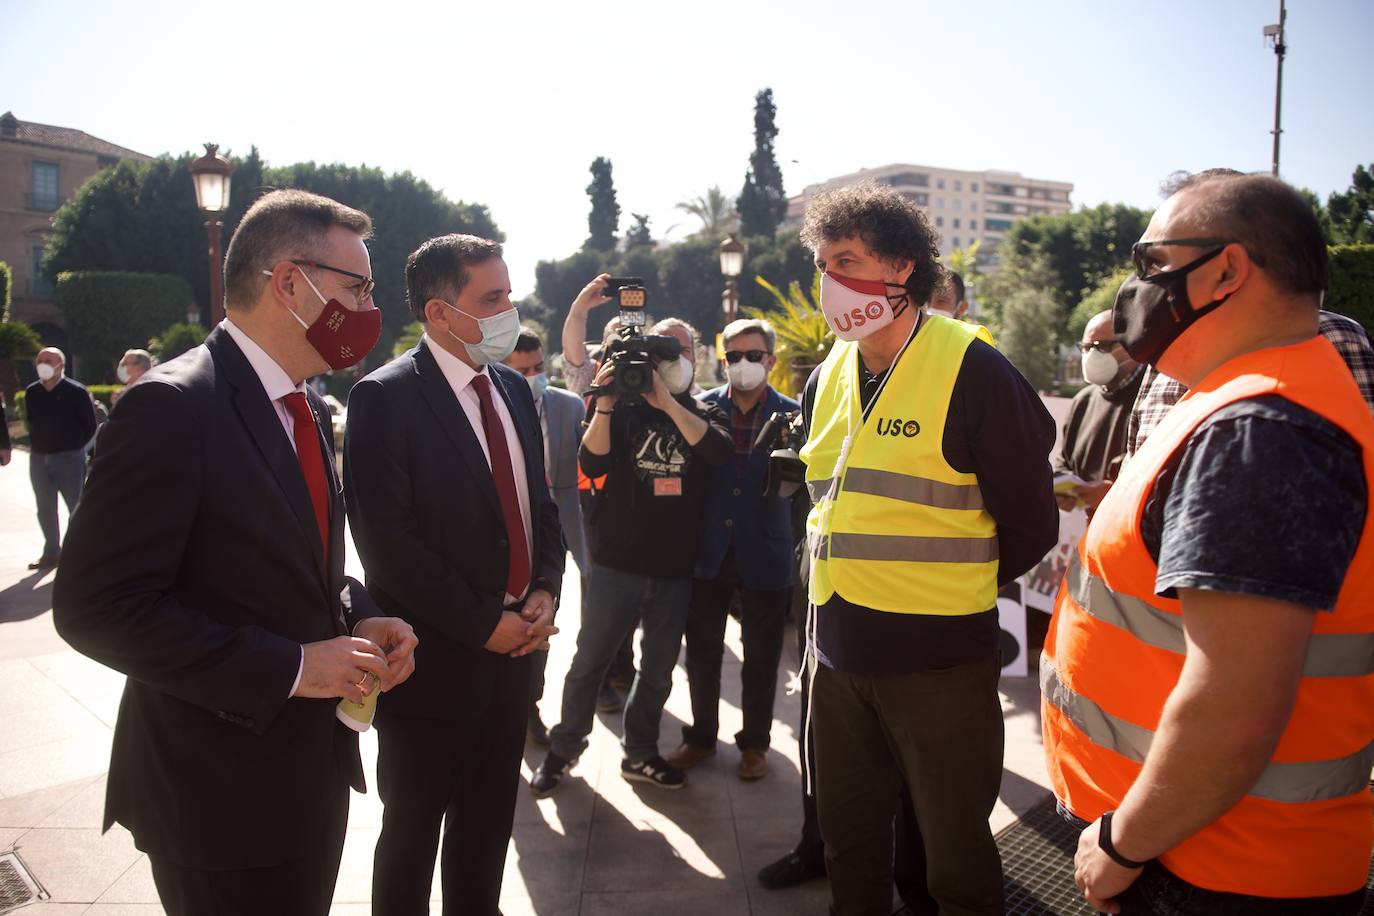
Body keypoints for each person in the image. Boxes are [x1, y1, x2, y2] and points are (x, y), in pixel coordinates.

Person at [51, 189, 418, 916]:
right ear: (289, 283)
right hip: (214, 798)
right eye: (358, 288)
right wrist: (290, 665)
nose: (369, 310)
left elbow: (301, 565)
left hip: (305, 780)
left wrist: (363, 614)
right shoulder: (171, 408)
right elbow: (94, 608)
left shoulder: (307, 406)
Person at [1044, 171, 1374, 915]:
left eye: (1153, 265)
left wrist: (1124, 842)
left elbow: (1235, 703)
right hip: (1199, 852)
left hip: (1213, 870)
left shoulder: (1260, 429)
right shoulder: (1242, 402)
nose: (1137, 289)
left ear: (1226, 270)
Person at [797, 181, 1058, 916]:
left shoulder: (974, 369)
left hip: (939, 662)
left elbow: (1032, 524)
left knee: (956, 863)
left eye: (845, 259)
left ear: (902, 267)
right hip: (837, 655)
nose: (828, 280)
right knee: (850, 846)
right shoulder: (828, 377)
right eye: (822, 262)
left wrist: (949, 586)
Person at [345, 235, 563, 916]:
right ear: (441, 312)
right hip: (434, 667)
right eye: (492, 298)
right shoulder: (384, 399)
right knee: (412, 829)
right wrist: (481, 624)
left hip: (515, 656)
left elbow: (540, 506)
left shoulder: (513, 390)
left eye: (509, 293)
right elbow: (389, 547)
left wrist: (546, 590)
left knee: (488, 820)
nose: (510, 310)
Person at [531, 316, 731, 796]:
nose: (670, 361)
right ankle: (563, 749)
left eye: (680, 350)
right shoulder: (621, 408)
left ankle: (640, 752)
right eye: (663, 352)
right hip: (617, 563)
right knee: (589, 662)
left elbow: (718, 451)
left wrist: (666, 401)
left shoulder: (704, 412)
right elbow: (592, 461)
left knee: (658, 670)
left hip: (673, 569)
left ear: (695, 357)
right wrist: (603, 404)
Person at [668, 317, 798, 782]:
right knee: (701, 653)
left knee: (762, 659)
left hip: (766, 553)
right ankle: (702, 737)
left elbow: (804, 491)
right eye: (734, 357)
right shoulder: (700, 410)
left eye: (753, 355)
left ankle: (755, 745)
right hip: (709, 552)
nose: (743, 364)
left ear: (771, 360)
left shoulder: (795, 415)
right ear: (723, 362)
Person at [502, 325, 589, 745]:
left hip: (569, 526)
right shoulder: (494, 408)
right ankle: (525, 708)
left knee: (549, 619)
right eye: (522, 370)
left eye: (538, 367)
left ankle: (535, 700)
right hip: (519, 534)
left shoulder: (569, 406)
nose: (532, 377)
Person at [1053, 310, 1144, 515]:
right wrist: (1065, 489)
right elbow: (1064, 462)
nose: (1092, 355)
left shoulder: (1150, 396)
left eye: (1102, 346)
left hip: (1132, 527)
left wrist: (1114, 492)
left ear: (1131, 343)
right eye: (1086, 347)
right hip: (1091, 534)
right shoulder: (1083, 401)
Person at [24, 346, 97, 569]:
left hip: (69, 458)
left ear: (60, 365)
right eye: (40, 360)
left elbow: (90, 426)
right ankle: (51, 552)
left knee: (75, 506)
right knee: (44, 507)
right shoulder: (32, 392)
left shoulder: (77, 391)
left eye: (48, 360)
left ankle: (77, 553)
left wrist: (76, 450)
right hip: (39, 458)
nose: (43, 364)